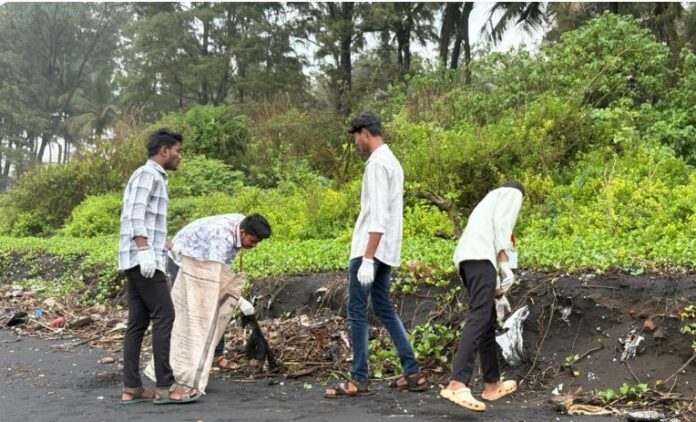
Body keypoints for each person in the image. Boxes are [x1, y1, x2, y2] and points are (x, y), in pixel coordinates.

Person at [325, 111, 426, 398]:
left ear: (365, 133)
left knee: (357, 310)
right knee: (383, 308)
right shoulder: (392, 161)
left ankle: (358, 377)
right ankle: (413, 372)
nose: (356, 142)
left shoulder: (377, 164)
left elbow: (379, 215)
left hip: (369, 249)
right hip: (387, 248)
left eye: (356, 137)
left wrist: (367, 258)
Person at [118, 128, 197, 404]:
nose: (179, 156)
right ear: (164, 151)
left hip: (141, 259)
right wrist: (144, 250)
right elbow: (134, 214)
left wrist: (170, 246)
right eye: (177, 151)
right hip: (143, 261)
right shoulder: (148, 175)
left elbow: (150, 222)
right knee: (165, 315)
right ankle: (165, 386)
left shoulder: (154, 177)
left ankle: (132, 387)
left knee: (138, 323)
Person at [440, 181, 525, 412]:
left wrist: (497, 292)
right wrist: (506, 264)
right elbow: (503, 228)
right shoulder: (511, 194)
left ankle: (492, 384)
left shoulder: (487, 204)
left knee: (487, 319)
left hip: (472, 261)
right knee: (479, 316)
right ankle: (457, 383)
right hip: (480, 259)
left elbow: (491, 241)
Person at [166, 213, 272, 369]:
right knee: (190, 310)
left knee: (218, 306)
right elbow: (214, 276)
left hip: (204, 259)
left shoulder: (243, 224)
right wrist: (240, 301)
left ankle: (217, 355)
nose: (254, 245)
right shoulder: (222, 238)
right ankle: (181, 359)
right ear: (243, 233)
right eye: (253, 241)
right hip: (182, 258)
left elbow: (221, 270)